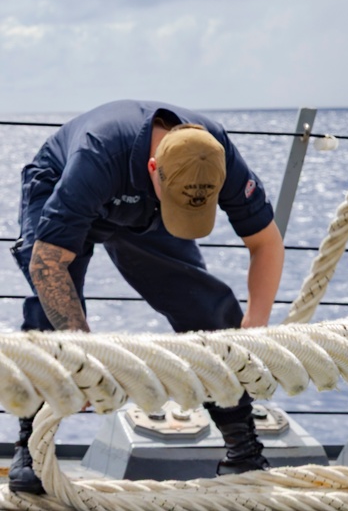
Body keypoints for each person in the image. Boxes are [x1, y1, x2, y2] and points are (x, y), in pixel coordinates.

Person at [8, 99, 285, 494]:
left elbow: (266, 243)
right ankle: (31, 449)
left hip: (151, 204)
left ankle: (242, 445)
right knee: (49, 318)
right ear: (153, 169)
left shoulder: (215, 151)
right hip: (63, 187)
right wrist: (81, 354)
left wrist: (254, 327)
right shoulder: (96, 154)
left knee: (206, 310)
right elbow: (47, 264)